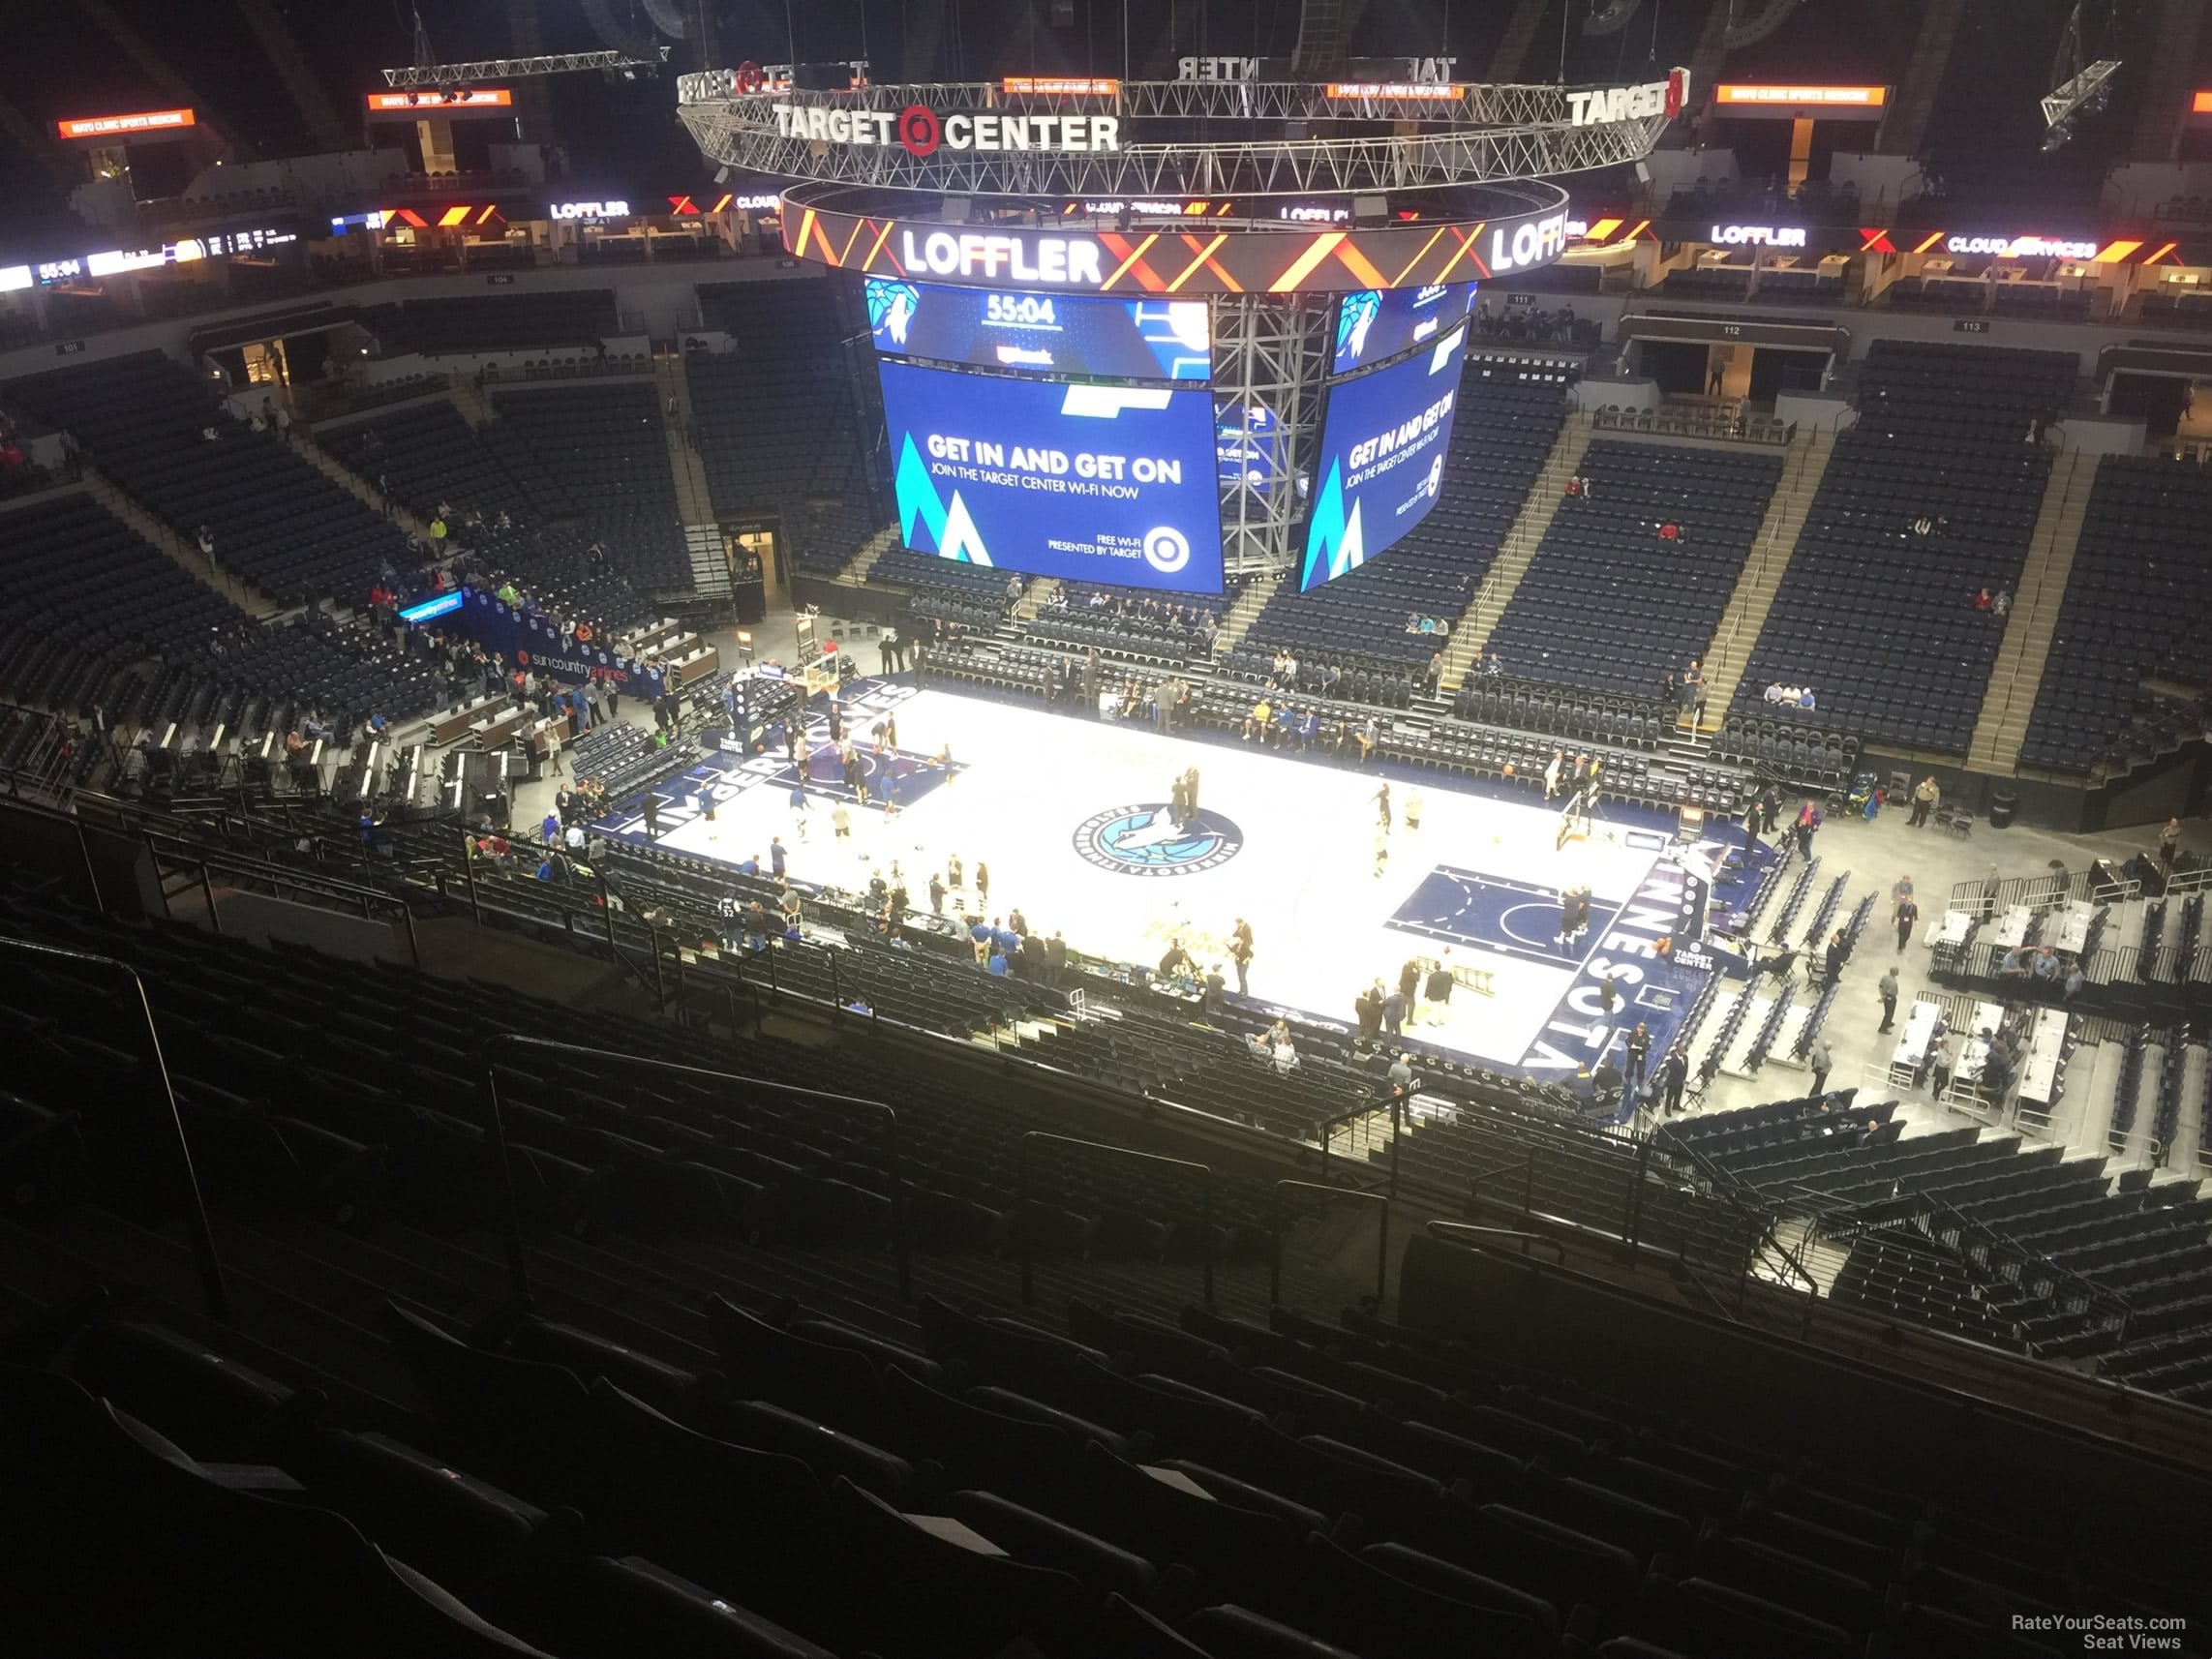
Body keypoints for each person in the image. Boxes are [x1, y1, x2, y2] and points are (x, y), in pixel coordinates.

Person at [1424, 950, 1454, 1027]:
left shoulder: (1431, 977)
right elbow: (1449, 982)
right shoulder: (1445, 975)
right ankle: (1440, 1020)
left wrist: (1426, 995)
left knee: (1435, 1009)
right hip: (1441, 995)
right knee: (1440, 1008)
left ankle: (1434, 1022)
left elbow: (1428, 987)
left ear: (1434, 967)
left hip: (1434, 996)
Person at [1658, 1046, 1688, 1116]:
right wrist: (1678, 1079)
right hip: (1673, 1081)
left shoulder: (1685, 1057)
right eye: (1682, 1051)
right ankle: (1667, 1110)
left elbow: (1686, 1068)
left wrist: (1683, 1079)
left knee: (1678, 1094)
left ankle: (1676, 1105)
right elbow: (1672, 1071)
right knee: (1670, 1096)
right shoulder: (1672, 1059)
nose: (1684, 1053)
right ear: (1678, 1051)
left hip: (1681, 1080)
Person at [1930, 1030, 1957, 1101]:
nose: (1948, 1047)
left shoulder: (1942, 1049)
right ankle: (1937, 1094)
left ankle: (1934, 1092)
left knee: (1937, 1080)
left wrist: (1949, 1052)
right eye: (1946, 1046)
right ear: (1943, 1046)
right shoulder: (1942, 1052)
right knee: (1944, 1083)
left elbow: (1948, 1053)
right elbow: (1945, 1062)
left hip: (1938, 1066)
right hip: (1942, 1069)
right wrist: (1952, 1059)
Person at [1229, 920, 1254, 994]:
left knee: (1243, 978)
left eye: (1239, 939)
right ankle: (1241, 990)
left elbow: (1251, 954)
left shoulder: (1245, 947)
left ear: (1242, 940)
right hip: (1238, 962)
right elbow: (1232, 950)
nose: (1238, 940)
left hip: (1244, 963)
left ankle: (1245, 993)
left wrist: (1245, 960)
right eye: (1238, 939)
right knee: (1240, 977)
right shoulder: (1236, 946)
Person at [1625, 1022, 1651, 1086]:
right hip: (1632, 1053)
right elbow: (1627, 1041)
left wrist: (1642, 1048)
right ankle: (1628, 1077)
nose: (1640, 1030)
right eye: (1639, 1028)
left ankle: (1640, 1080)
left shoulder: (1646, 1037)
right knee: (1629, 1066)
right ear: (1637, 1028)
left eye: (1642, 1029)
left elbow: (1648, 1046)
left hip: (1640, 1054)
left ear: (1644, 1029)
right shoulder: (1632, 1034)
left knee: (1641, 1068)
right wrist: (1630, 1046)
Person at [1877, 965, 1899, 1035]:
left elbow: (1880, 985)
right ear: (1896, 973)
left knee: (1887, 1011)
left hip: (1885, 996)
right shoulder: (1893, 983)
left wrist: (1882, 994)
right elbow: (1890, 993)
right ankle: (1882, 1028)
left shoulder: (1885, 977)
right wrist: (1883, 998)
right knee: (1889, 1013)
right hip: (1890, 998)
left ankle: (1888, 1022)